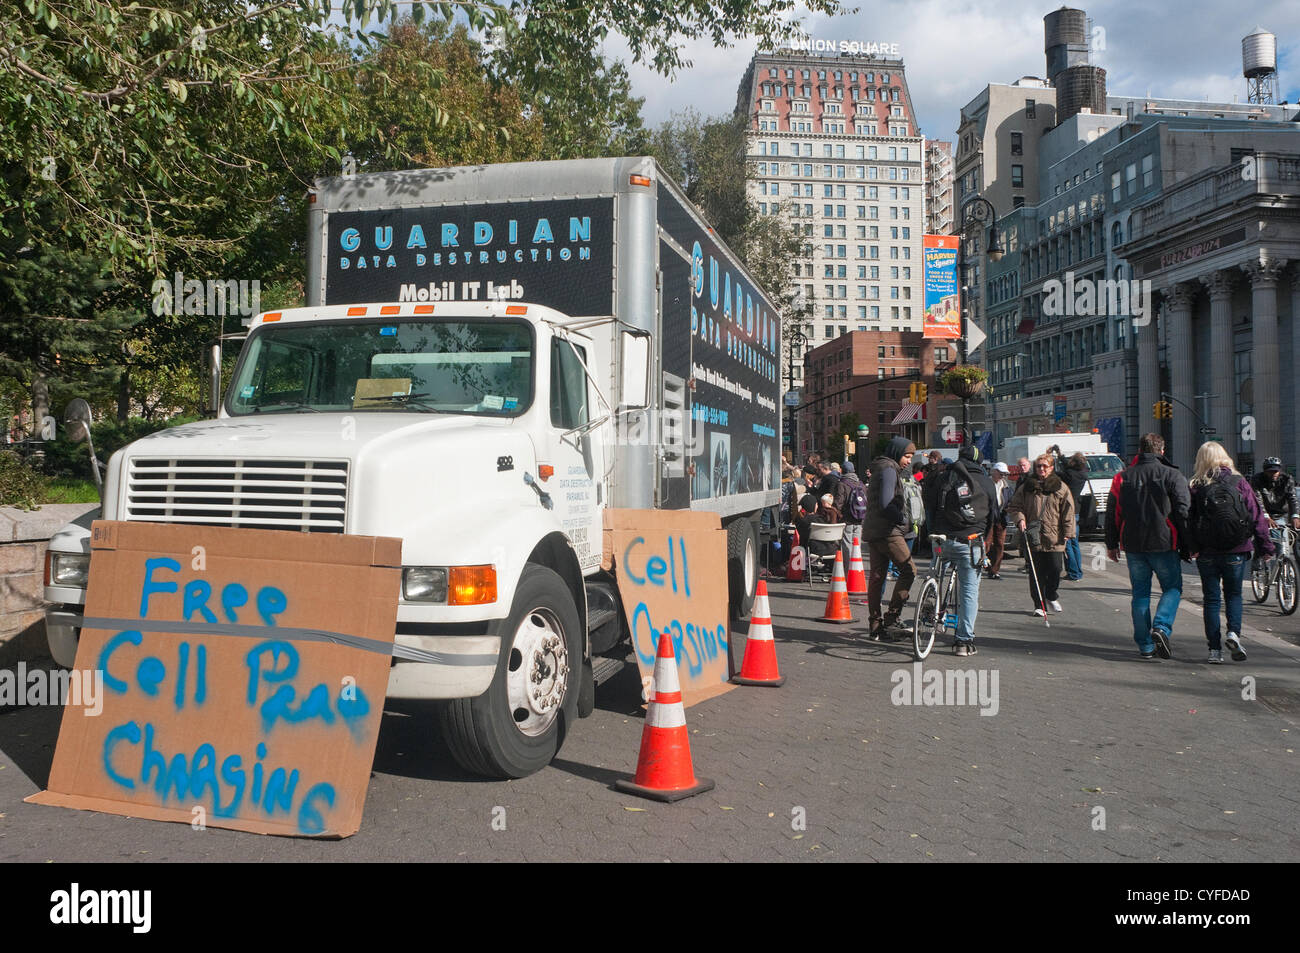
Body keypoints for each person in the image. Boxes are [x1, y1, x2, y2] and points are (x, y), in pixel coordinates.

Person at [1104, 433, 1191, 660]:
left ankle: (1145, 645)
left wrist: (1111, 544)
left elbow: (1113, 514)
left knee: (1140, 594)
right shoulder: (1172, 474)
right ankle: (1161, 627)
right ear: (1161, 451)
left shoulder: (1122, 477)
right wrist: (1189, 543)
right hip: (1164, 541)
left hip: (1133, 543)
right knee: (1172, 588)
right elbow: (1183, 511)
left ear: (1140, 451)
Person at [1186, 442, 1274, 664]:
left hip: (1207, 552)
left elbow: (1188, 519)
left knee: (1212, 600)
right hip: (1237, 548)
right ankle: (1233, 634)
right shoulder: (1239, 482)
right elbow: (1257, 517)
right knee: (1234, 596)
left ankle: (1214, 651)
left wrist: (1192, 547)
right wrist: (1265, 547)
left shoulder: (1196, 484)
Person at [923, 445, 994, 655]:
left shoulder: (943, 477)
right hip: (971, 542)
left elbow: (930, 507)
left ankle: (929, 599)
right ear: (980, 463)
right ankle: (963, 642)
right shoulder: (986, 482)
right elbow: (993, 517)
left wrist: (932, 533)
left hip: (942, 539)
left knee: (935, 573)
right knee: (969, 591)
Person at [1006, 454, 1075, 618]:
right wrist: (1020, 519)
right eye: (1038, 466)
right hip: (1034, 535)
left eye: (1045, 466)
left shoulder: (1060, 487)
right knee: (1036, 572)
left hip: (1054, 536)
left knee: (1056, 568)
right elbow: (1014, 506)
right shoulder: (1027, 486)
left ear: (1051, 468)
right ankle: (1039, 605)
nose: (1041, 469)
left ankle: (1051, 594)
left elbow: (1068, 511)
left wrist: (1068, 532)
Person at [863, 437, 917, 641]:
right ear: (897, 453)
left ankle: (875, 626)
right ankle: (892, 617)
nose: (909, 461)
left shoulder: (881, 467)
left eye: (911, 457)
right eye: (907, 456)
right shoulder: (889, 469)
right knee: (909, 570)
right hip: (887, 531)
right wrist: (902, 517)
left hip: (874, 530)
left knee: (877, 578)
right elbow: (886, 503)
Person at [1250, 457, 1299, 560]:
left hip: (1282, 515)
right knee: (1262, 537)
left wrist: (1295, 516)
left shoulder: (1287, 479)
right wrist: (1265, 517)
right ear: (1264, 471)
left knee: (1283, 541)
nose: (1273, 473)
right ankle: (1258, 562)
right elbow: (1258, 500)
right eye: (1270, 471)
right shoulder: (1257, 479)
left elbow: (1292, 498)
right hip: (1264, 513)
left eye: (1276, 471)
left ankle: (1285, 566)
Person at [1058, 451, 1088, 581]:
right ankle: (1078, 572)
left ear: (1074, 463)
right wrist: (1060, 456)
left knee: (1067, 543)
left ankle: (1073, 572)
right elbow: (1067, 467)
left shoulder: (1070, 475)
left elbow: (1061, 473)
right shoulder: (1082, 474)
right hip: (1076, 511)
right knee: (1075, 543)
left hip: (1067, 511)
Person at [985, 462, 1015, 579]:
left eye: (1005, 474)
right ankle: (984, 566)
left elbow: (1011, 501)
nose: (1003, 476)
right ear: (994, 472)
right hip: (988, 519)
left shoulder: (1007, 487)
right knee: (986, 544)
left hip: (1001, 519)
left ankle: (994, 570)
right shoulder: (986, 484)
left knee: (999, 545)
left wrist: (1009, 509)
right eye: (1001, 473)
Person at [837, 461, 867, 563]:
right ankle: (857, 568)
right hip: (859, 519)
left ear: (843, 471)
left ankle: (848, 571)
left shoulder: (842, 484)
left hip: (847, 519)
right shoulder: (861, 484)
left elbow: (839, 503)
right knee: (857, 545)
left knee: (847, 545)